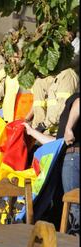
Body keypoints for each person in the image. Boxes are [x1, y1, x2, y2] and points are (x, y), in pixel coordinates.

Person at [23, 93, 79, 235]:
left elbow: (79, 102)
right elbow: (56, 143)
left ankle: (73, 243)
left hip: (73, 157)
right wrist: (32, 132)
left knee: (73, 203)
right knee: (68, 204)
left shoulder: (75, 99)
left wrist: (68, 128)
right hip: (69, 156)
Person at [25, 68, 79, 135]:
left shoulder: (67, 76)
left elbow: (62, 108)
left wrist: (42, 126)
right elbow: (38, 104)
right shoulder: (41, 81)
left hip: (58, 134)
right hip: (43, 134)